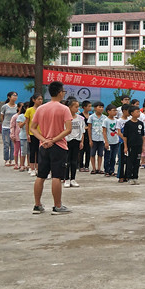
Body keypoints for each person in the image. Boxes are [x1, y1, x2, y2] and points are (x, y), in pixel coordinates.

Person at [30, 81, 72, 214]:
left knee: (40, 176)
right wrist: (53, 140)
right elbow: (68, 129)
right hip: (58, 146)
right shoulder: (64, 109)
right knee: (57, 176)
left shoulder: (41, 108)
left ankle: (37, 205)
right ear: (60, 92)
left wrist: (44, 140)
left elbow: (33, 128)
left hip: (44, 146)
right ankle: (57, 206)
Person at [122, 106, 145, 185]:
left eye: (139, 112)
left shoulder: (140, 123)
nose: (138, 113)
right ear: (132, 113)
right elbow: (125, 136)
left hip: (138, 145)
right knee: (130, 162)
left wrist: (143, 146)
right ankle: (129, 177)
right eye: (137, 112)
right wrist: (125, 146)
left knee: (137, 162)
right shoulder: (128, 124)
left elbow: (142, 135)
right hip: (131, 146)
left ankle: (135, 177)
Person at [64, 98, 84, 188]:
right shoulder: (64, 118)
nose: (77, 108)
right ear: (70, 107)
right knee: (66, 161)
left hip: (76, 141)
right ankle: (66, 179)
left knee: (74, 161)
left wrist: (81, 141)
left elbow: (82, 131)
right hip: (67, 141)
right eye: (75, 107)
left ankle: (73, 178)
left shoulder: (80, 118)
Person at [25, 93, 44, 176]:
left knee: (40, 151)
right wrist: (27, 134)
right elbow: (27, 123)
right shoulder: (29, 110)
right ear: (34, 100)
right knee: (32, 151)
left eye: (41, 99)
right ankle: (32, 168)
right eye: (38, 99)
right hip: (32, 133)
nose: (40, 101)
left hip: (41, 134)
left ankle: (38, 168)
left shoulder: (43, 109)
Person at [86, 101, 106, 175]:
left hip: (101, 139)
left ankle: (99, 168)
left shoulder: (104, 117)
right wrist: (90, 140)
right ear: (95, 108)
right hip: (94, 138)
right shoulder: (91, 117)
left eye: (102, 107)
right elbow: (89, 128)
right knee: (92, 154)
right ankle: (93, 168)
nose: (101, 109)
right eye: (99, 107)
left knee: (100, 154)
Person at [0, 91, 18, 166]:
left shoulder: (17, 106)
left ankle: (12, 159)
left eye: (16, 96)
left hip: (14, 128)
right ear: (9, 97)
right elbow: (2, 116)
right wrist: (5, 124)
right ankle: (6, 159)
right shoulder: (5, 107)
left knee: (13, 144)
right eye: (14, 95)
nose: (15, 97)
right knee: (6, 144)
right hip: (6, 127)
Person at [102, 105, 120, 177]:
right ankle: (106, 170)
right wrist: (106, 142)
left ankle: (112, 170)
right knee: (107, 156)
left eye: (116, 110)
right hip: (108, 141)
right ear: (108, 111)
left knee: (113, 157)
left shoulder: (116, 120)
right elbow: (104, 132)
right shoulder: (106, 120)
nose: (115, 112)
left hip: (115, 141)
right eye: (113, 110)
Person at [9, 102, 23, 170]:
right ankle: (16, 163)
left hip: (23, 136)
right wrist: (12, 135)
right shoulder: (15, 116)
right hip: (16, 136)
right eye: (21, 107)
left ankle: (21, 163)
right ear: (18, 108)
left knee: (22, 151)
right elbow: (12, 126)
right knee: (16, 150)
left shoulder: (24, 116)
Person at [78, 101, 92, 172]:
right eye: (88, 106)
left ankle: (87, 166)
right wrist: (86, 128)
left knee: (88, 151)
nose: (90, 108)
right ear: (84, 107)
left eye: (90, 106)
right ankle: (80, 165)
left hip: (89, 135)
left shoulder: (91, 115)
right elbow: (80, 126)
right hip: (82, 135)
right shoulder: (80, 116)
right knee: (81, 151)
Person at [15, 103, 29, 171]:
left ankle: (29, 165)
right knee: (23, 151)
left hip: (31, 135)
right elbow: (20, 126)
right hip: (23, 136)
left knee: (29, 152)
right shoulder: (21, 116)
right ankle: (22, 165)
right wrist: (26, 121)